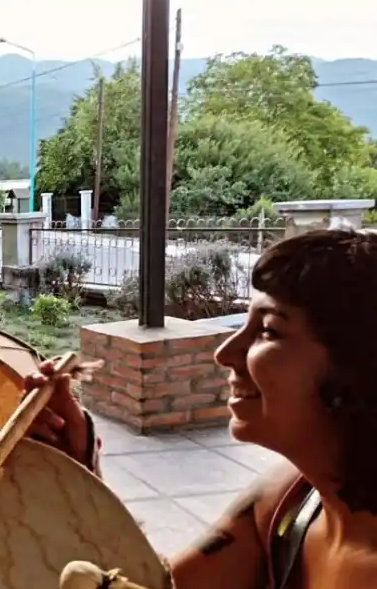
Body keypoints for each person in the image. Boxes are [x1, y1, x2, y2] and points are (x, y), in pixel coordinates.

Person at [35, 228, 377, 589]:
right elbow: (163, 583)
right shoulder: (294, 499)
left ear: (358, 365)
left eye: (268, 331)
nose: (225, 354)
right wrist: (81, 472)